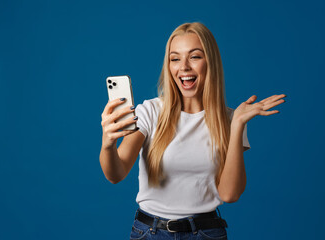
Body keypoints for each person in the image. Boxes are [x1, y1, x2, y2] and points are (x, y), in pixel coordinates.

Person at [100, 22, 286, 240]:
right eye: (175, 58)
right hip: (150, 233)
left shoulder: (230, 119)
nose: (184, 67)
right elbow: (116, 174)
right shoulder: (149, 111)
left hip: (206, 232)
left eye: (195, 56)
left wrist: (237, 125)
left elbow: (230, 194)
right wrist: (108, 144)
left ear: (211, 62)